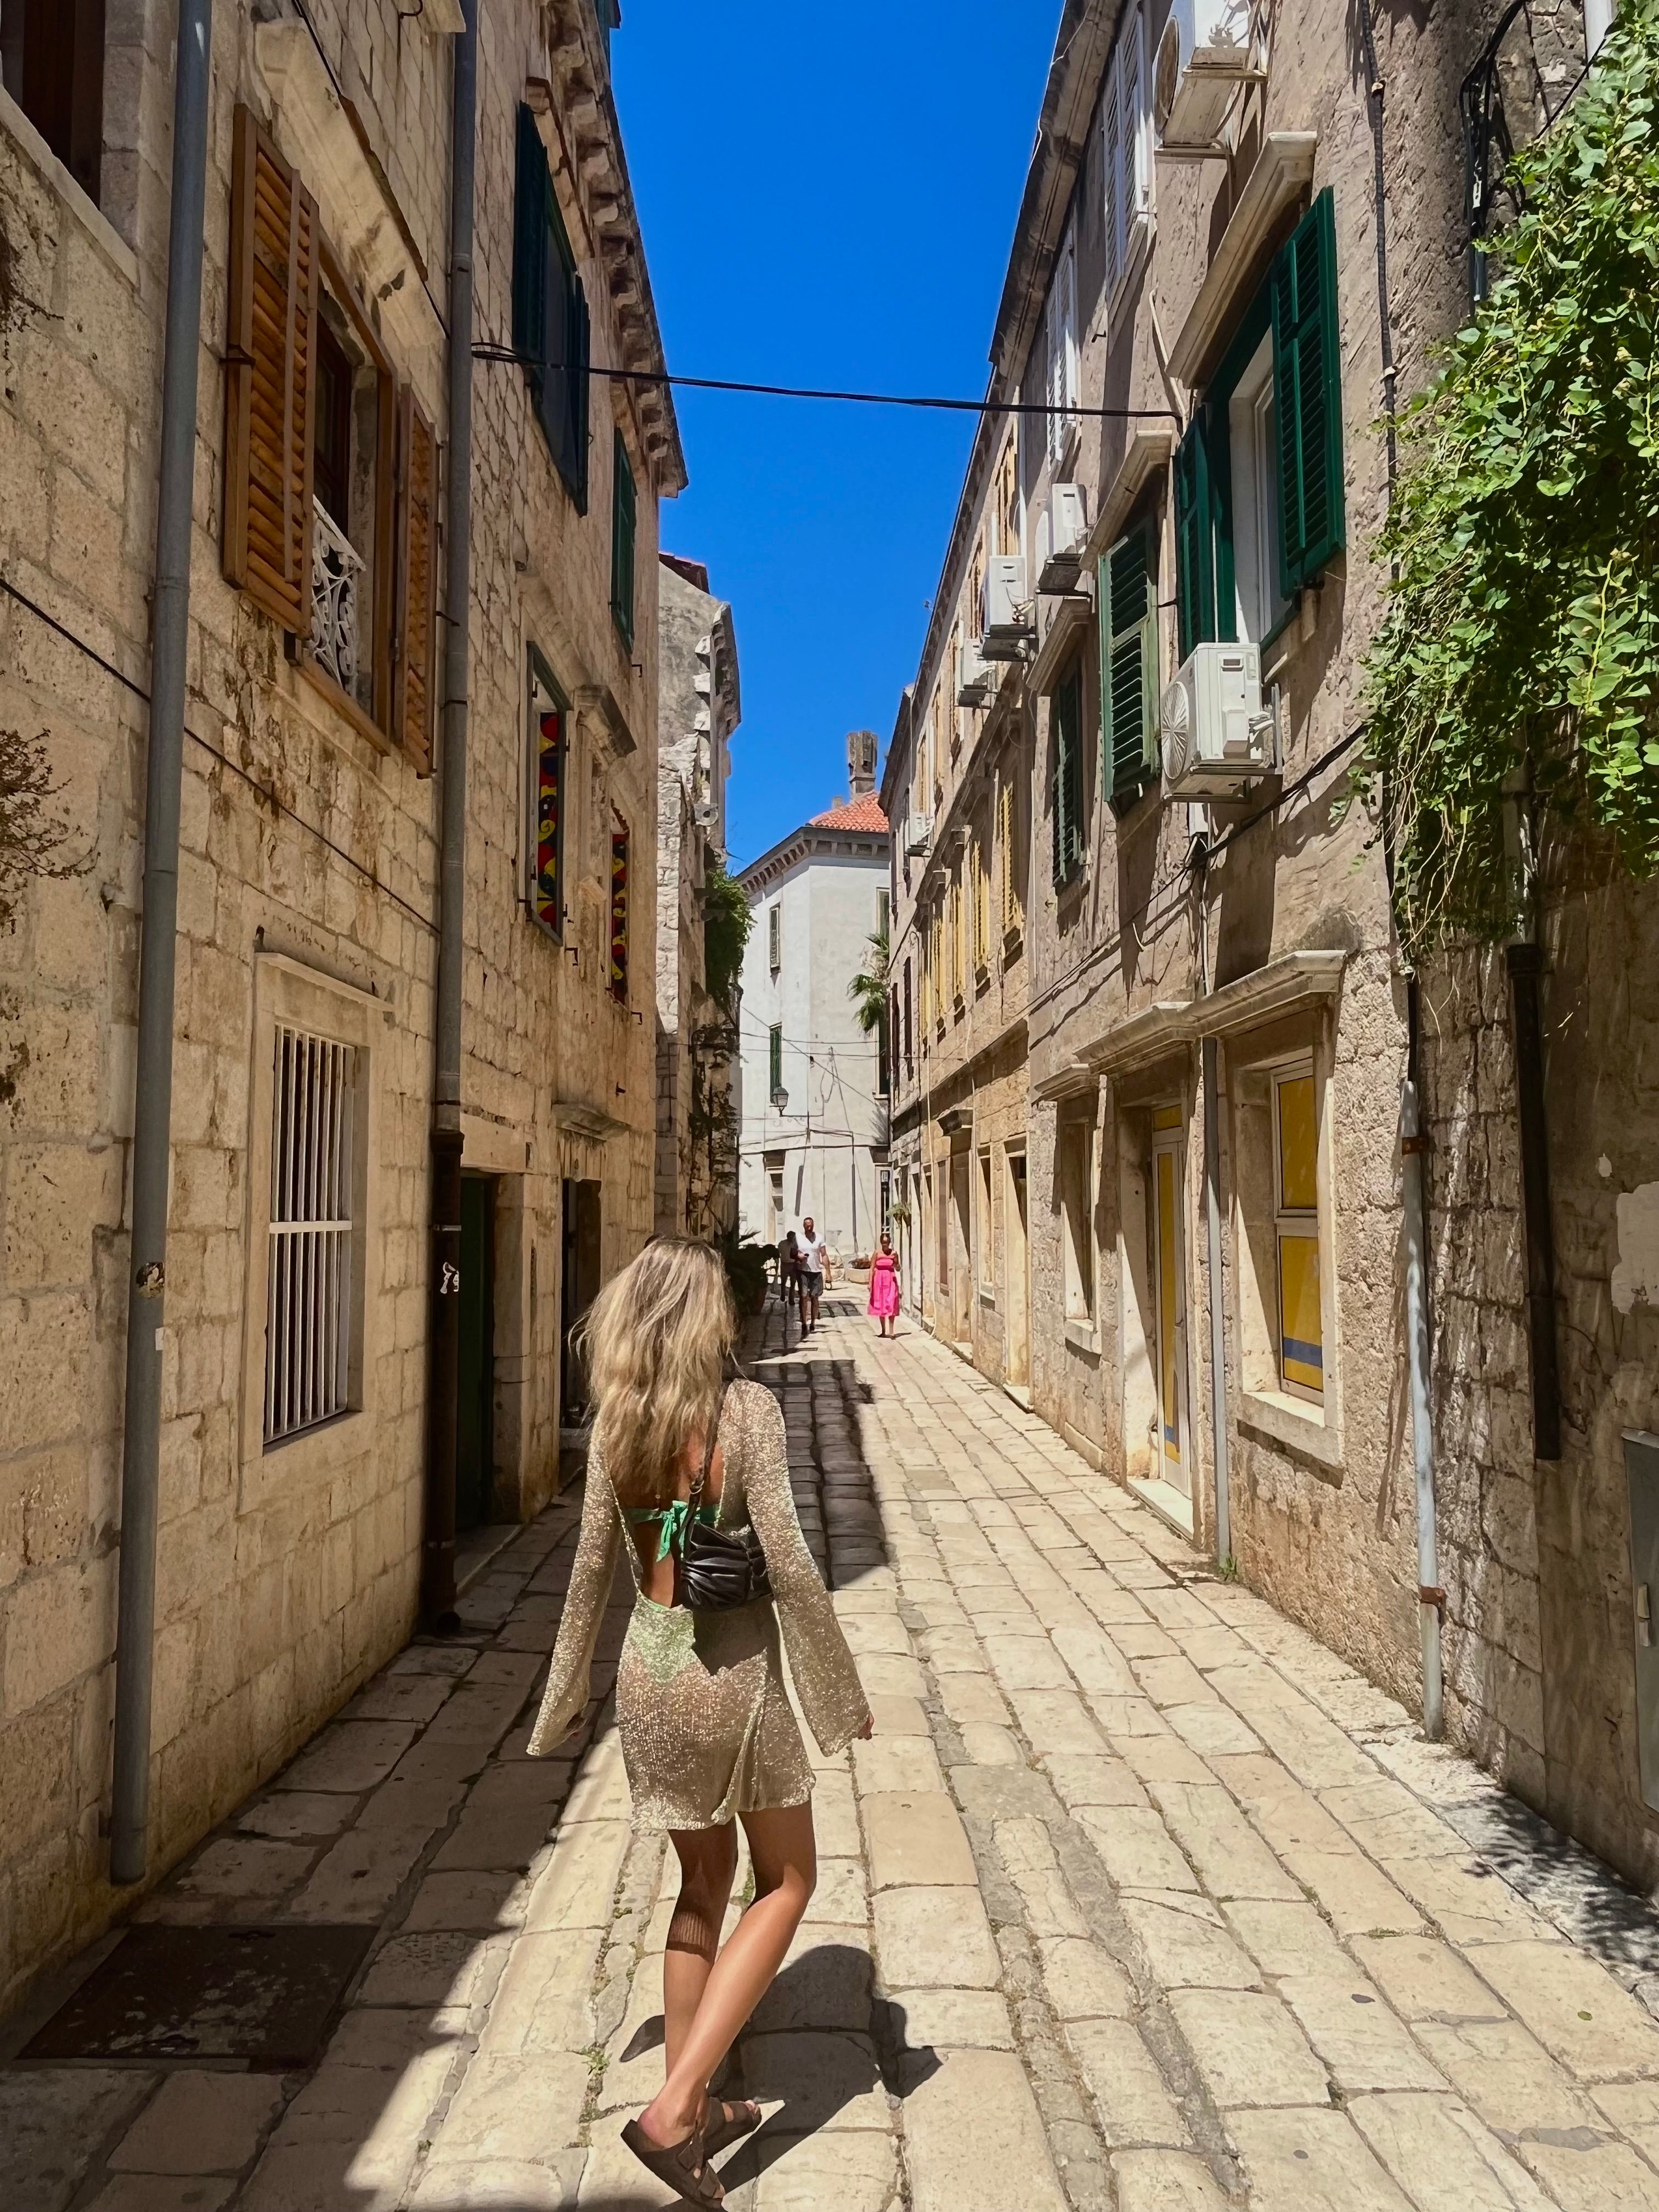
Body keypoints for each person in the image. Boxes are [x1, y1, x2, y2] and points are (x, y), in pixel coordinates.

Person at [528, 1237, 873, 2207]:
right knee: (789, 1878)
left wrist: (562, 1701)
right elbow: (795, 1564)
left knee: (700, 1881)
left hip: (649, 1672)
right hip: (732, 1675)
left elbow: (588, 1577)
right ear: (702, 1317)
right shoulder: (745, 1414)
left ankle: (700, 2099)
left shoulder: (612, 1431)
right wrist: (837, 1695)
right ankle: (675, 2107)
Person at [867, 1228, 900, 1338]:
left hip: (891, 1279)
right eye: (883, 1243)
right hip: (879, 1281)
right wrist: (870, 1283)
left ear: (890, 1242)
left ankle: (892, 1330)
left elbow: (898, 1268)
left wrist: (895, 1265)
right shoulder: (877, 1253)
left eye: (887, 1243)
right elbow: (872, 1268)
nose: (885, 1245)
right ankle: (883, 1330)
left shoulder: (894, 1254)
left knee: (891, 1303)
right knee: (881, 1304)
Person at [798, 1216, 827, 1335]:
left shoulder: (819, 1238)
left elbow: (824, 1254)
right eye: (807, 1225)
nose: (809, 1227)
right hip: (803, 1271)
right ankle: (804, 1322)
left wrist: (828, 1272)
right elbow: (793, 1252)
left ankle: (813, 1323)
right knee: (804, 1296)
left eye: (811, 1225)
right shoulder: (799, 1238)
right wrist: (798, 1256)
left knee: (815, 1298)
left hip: (816, 1272)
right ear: (804, 1226)